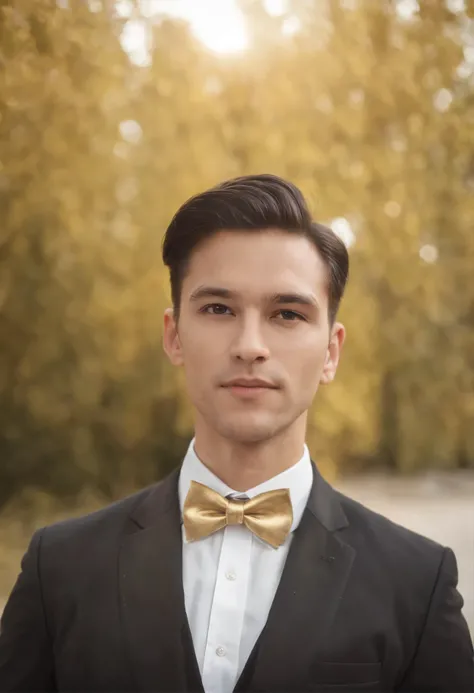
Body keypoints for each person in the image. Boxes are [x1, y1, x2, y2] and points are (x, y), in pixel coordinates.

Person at [0, 174, 472, 693]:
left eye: (287, 314)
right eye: (218, 309)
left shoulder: (416, 584)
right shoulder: (60, 569)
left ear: (331, 353)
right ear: (174, 335)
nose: (250, 345)